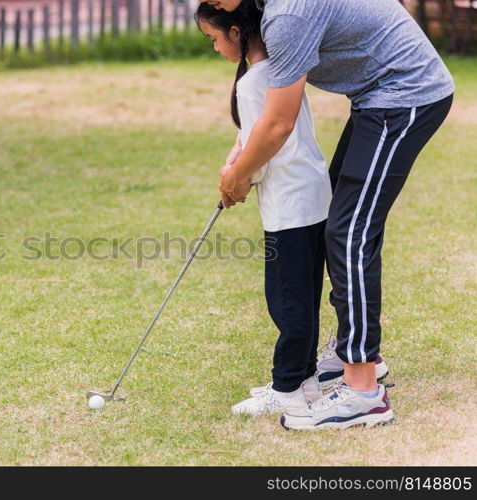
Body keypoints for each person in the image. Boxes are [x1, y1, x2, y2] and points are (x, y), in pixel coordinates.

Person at [203, 0, 454, 429]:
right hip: (376, 95)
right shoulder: (267, 7)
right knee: (344, 220)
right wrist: (241, 156)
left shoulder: (286, 16)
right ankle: (350, 353)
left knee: (348, 234)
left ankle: (364, 391)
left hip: (405, 92)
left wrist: (235, 178)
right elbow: (268, 118)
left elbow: (279, 123)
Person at [195, 2, 332, 416]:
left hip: (289, 205)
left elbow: (264, 152)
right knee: (303, 296)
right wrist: (234, 162)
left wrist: (234, 180)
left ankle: (287, 387)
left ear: (236, 33)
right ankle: (305, 381)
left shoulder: (252, 83)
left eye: (215, 39)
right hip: (313, 197)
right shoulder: (278, 72)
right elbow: (251, 137)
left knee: (287, 301)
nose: (215, 48)